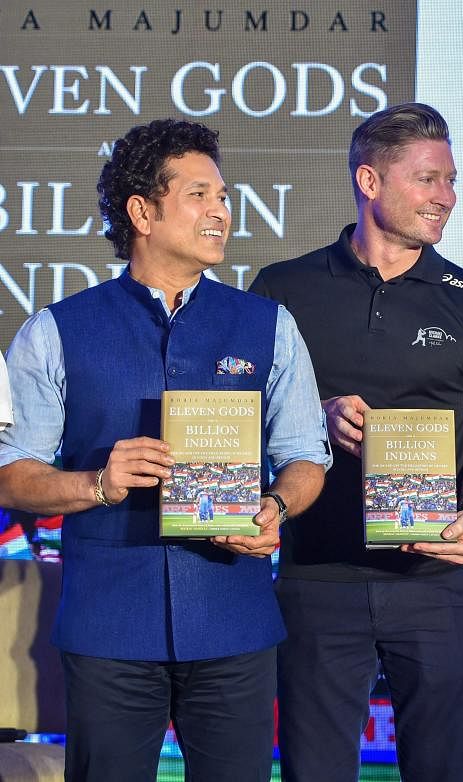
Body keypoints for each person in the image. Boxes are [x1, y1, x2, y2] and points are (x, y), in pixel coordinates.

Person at [0, 118, 330, 781]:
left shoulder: (270, 325)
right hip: (108, 631)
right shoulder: (54, 331)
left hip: (234, 625)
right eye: (200, 195)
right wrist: (95, 484)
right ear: (142, 212)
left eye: (225, 197)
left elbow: (305, 458)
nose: (221, 212)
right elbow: (13, 478)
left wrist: (276, 507)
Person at [250, 102, 463, 782]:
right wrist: (317, 414)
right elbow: (238, 428)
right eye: (429, 179)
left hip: (434, 584)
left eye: (452, 180)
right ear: (370, 182)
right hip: (317, 580)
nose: (447, 197)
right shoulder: (283, 289)